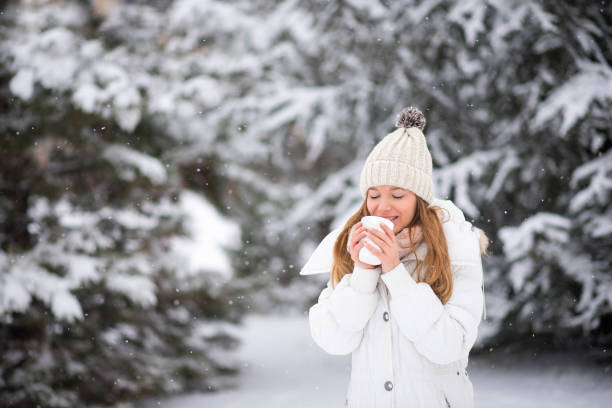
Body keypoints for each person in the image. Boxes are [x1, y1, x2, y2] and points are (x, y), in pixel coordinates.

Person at [303, 107, 489, 408]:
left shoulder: (457, 253)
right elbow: (334, 341)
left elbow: (448, 346)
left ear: (419, 199)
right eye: (374, 195)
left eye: (398, 195)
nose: (382, 207)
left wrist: (394, 273)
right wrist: (363, 272)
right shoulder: (351, 249)